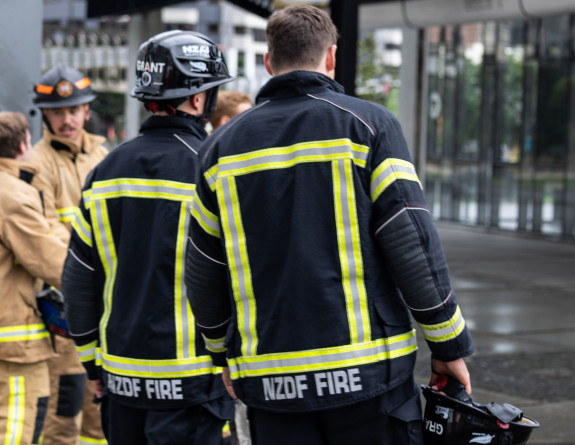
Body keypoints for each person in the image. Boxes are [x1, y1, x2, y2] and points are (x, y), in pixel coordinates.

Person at [185, 5, 474, 444]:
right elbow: (411, 243)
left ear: (269, 62)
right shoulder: (369, 124)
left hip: (271, 382)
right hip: (368, 381)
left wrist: (220, 355)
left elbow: (203, 267)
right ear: (332, 56)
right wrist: (448, 345)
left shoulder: (219, 149)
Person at [61, 30, 235, 445]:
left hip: (121, 382)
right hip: (193, 383)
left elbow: (78, 279)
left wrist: (92, 365)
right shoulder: (212, 167)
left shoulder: (106, 170)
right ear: (198, 99)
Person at [30, 64, 108, 445]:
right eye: (58, 112)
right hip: (66, 310)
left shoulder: (103, 157)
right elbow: (45, 233)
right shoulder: (34, 164)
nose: (67, 119)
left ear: (87, 111)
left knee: (102, 416)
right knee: (64, 414)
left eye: (74, 110)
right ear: (45, 114)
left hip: (104, 307)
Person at [0, 112, 68, 445]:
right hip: (14, 347)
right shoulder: (12, 195)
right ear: (24, 144)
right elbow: (52, 263)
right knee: (17, 428)